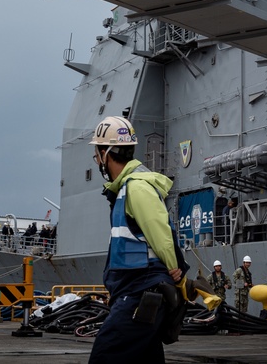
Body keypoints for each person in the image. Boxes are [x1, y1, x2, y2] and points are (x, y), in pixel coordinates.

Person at [88, 116, 188, 363]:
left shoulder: (136, 187)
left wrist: (176, 268)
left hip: (141, 290)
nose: (97, 159)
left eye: (97, 152)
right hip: (137, 289)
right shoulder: (126, 188)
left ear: (105, 153)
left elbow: (161, 231)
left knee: (105, 354)